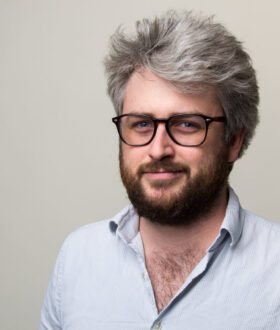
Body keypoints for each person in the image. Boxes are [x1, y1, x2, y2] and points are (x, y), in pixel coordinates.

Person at [38, 10, 280, 330]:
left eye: (187, 124)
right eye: (141, 124)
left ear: (233, 140)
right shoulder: (76, 258)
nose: (158, 149)